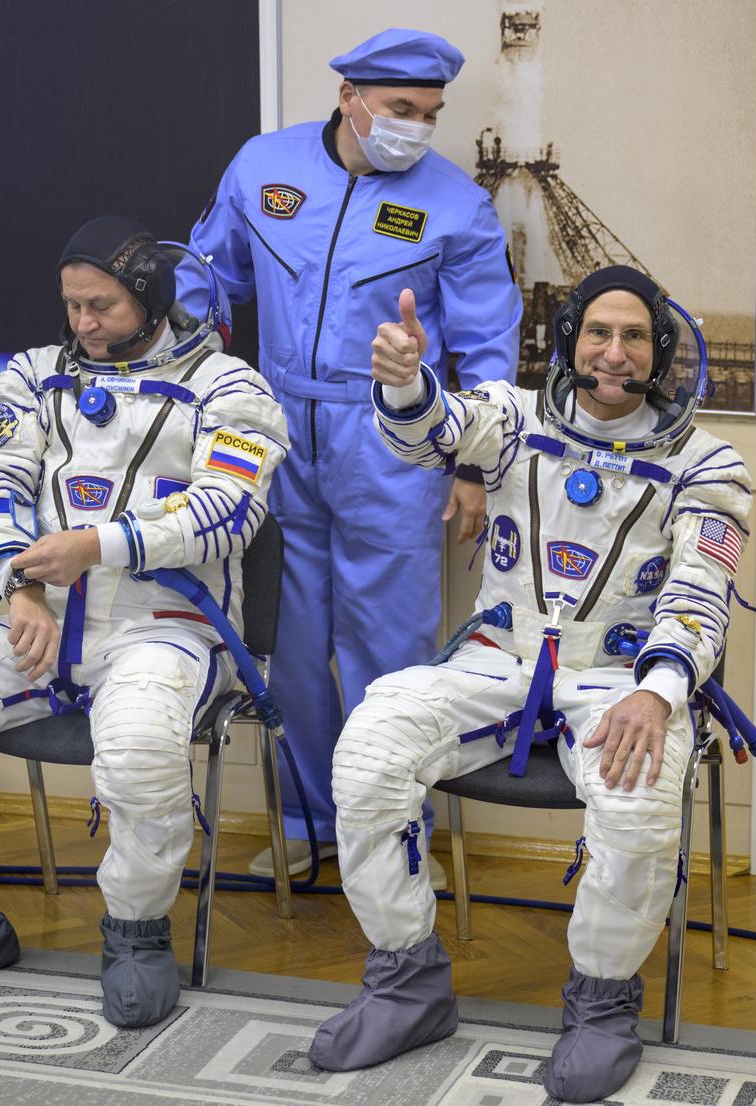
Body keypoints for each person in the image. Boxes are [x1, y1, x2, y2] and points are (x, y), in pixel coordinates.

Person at [310, 267, 752, 1103]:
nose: (613, 354)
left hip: (624, 675)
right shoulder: (515, 419)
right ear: (568, 341)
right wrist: (404, 383)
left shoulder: (708, 462)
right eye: (597, 333)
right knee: (369, 748)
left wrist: (658, 694)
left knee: (637, 792)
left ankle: (601, 1005)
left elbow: (701, 592)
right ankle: (408, 983)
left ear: (660, 353)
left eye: (633, 338)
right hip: (499, 656)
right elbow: (437, 432)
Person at [0, 217, 289, 1028]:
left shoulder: (232, 389)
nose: (83, 325)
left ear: (152, 300)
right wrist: (16, 581)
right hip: (40, 617)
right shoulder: (33, 375)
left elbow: (229, 512)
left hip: (166, 625)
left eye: (103, 307)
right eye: (73, 306)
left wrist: (99, 544)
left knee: (135, 749)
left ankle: (135, 934)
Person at [178, 28, 522, 886]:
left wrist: (476, 465)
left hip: (394, 446)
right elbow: (205, 281)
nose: (416, 127)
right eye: (401, 109)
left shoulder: (455, 206)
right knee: (289, 645)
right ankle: (304, 820)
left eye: (430, 114)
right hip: (277, 434)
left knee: (390, 649)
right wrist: (185, 382)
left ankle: (394, 832)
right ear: (350, 99)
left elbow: (487, 345)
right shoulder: (263, 168)